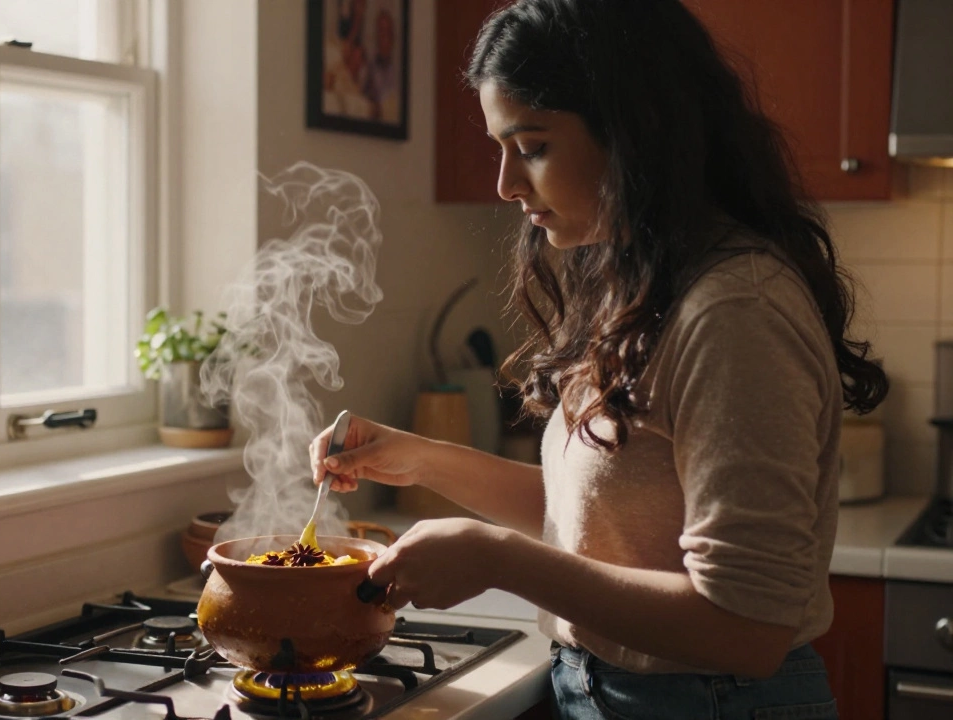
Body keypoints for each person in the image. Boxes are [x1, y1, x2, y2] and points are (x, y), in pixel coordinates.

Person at [308, 1, 887, 717]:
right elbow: (607, 517)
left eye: (533, 145)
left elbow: (746, 628)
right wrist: (420, 459)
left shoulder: (735, 311)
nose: (505, 184)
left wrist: (497, 559)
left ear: (635, 130)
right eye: (500, 145)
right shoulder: (651, 282)